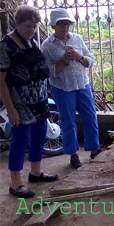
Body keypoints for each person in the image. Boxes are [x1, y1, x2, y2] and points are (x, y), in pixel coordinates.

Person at [0, 5, 58, 198]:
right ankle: (15, 183)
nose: (31, 30)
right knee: (20, 140)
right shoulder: (6, 44)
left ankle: (35, 172)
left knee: (39, 135)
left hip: (39, 99)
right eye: (27, 26)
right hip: (20, 103)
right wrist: (10, 108)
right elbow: (0, 80)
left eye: (34, 26)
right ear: (16, 23)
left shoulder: (30, 41)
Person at [41, 8, 102, 169]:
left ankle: (95, 149)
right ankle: (73, 154)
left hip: (82, 84)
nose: (65, 27)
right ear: (53, 25)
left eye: (67, 24)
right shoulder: (47, 46)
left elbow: (90, 60)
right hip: (62, 88)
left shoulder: (77, 39)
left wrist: (79, 57)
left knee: (90, 117)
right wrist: (63, 61)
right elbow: (47, 72)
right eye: (61, 24)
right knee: (68, 122)